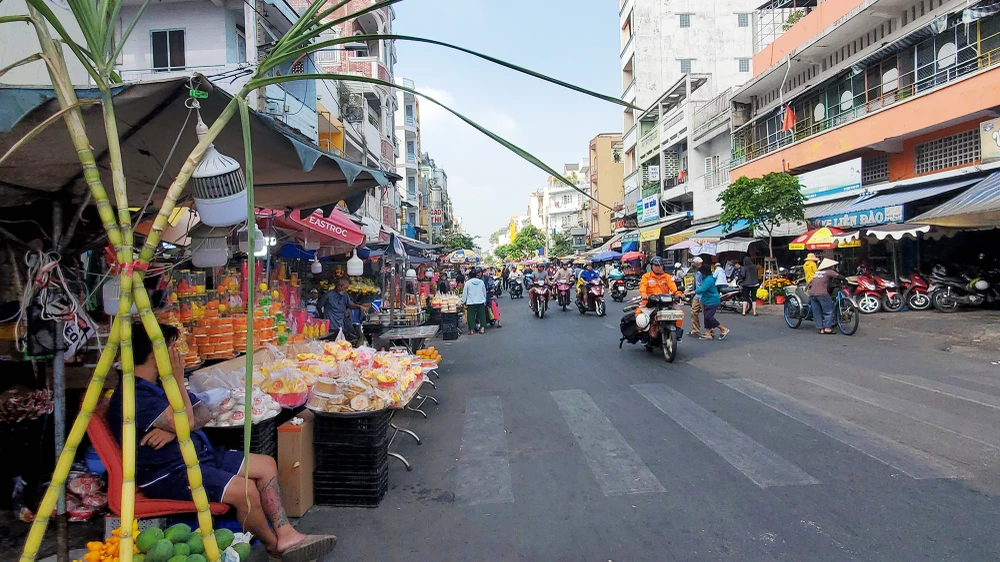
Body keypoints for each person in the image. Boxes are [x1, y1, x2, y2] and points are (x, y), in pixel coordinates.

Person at [107, 324, 335, 561]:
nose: (178, 354)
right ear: (156, 354)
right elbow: (187, 420)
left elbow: (202, 414)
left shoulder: (158, 384)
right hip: (171, 472)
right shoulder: (134, 395)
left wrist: (176, 431)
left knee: (266, 465)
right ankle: (274, 547)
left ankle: (286, 533)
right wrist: (178, 388)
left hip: (198, 454)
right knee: (245, 491)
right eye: (172, 348)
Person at [637, 257, 685, 341]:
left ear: (663, 266)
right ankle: (643, 334)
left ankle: (677, 332)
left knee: (679, 313)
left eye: (660, 266)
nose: (658, 267)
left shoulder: (668, 277)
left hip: (665, 302)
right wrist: (644, 294)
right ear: (651, 266)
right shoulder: (646, 277)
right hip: (649, 302)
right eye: (655, 265)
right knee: (638, 313)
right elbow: (643, 286)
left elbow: (673, 288)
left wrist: (679, 294)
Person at [807, 258, 844, 334]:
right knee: (828, 311)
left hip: (812, 294)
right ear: (830, 266)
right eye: (833, 266)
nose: (833, 267)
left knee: (817, 312)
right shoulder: (829, 272)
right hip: (822, 294)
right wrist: (845, 279)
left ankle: (820, 329)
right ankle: (827, 328)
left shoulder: (817, 273)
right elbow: (839, 276)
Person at [695, 263, 730, 340]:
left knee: (709, 316)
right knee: (706, 317)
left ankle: (723, 329)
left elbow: (703, 289)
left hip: (712, 300)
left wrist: (693, 292)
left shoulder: (709, 279)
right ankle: (708, 333)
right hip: (707, 300)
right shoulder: (706, 278)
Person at [462, 268, 488, 334]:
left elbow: (465, 293)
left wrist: (463, 301)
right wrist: (485, 300)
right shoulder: (481, 282)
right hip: (480, 301)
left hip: (471, 302)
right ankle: (482, 328)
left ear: (469, 276)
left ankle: (471, 330)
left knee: (471, 316)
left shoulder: (467, 283)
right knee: (482, 315)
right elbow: (484, 292)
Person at [687, 256, 705, 337]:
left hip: (703, 295)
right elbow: (696, 283)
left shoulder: (703, 272)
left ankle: (709, 330)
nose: (692, 265)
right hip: (697, 295)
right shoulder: (696, 272)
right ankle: (696, 329)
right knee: (693, 312)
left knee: (706, 314)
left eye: (693, 263)